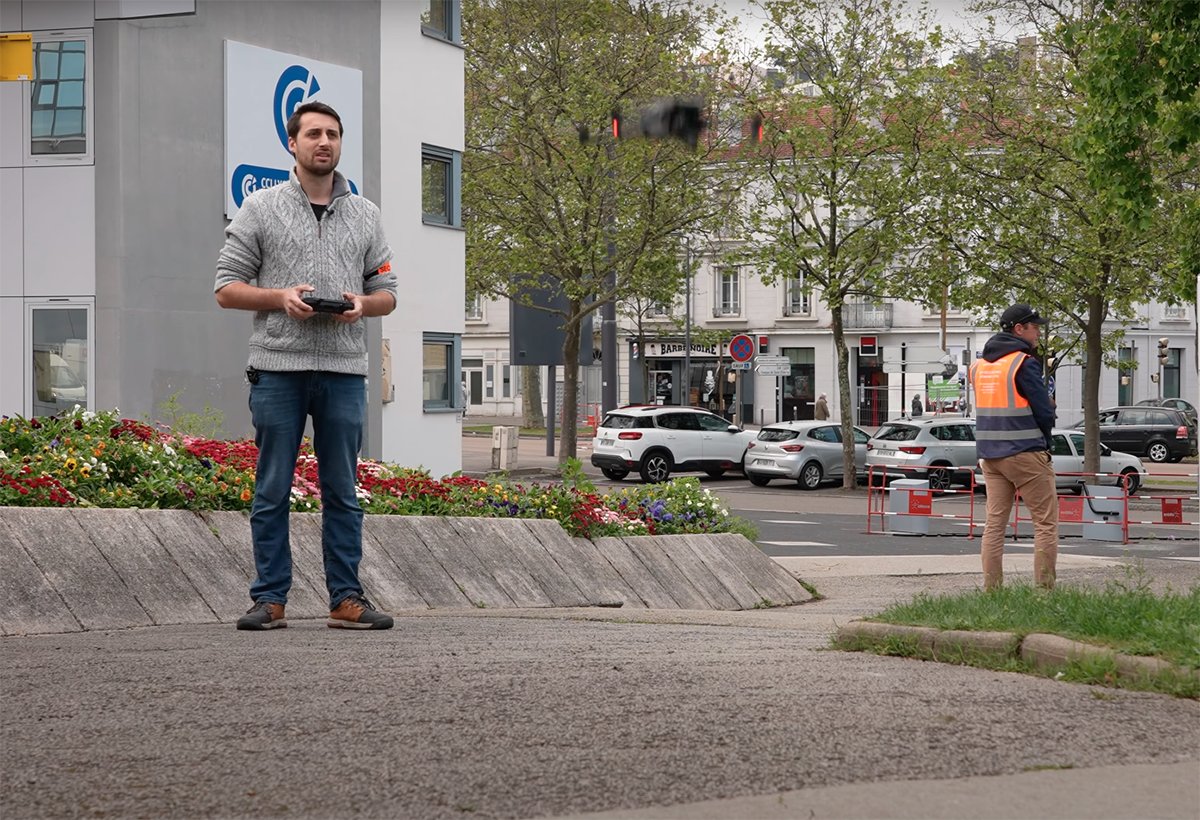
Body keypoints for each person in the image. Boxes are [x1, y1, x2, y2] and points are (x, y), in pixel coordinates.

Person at [215, 101, 398, 631]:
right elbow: (226, 288)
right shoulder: (260, 208)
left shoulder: (366, 214)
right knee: (271, 486)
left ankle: (346, 598)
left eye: (333, 135)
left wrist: (362, 305)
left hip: (343, 370)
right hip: (277, 368)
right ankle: (269, 599)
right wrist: (279, 298)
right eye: (314, 133)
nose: (325, 142)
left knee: (343, 490)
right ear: (291, 143)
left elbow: (387, 293)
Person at [969, 303, 1057, 591]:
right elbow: (1044, 411)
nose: (1039, 333)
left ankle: (992, 591)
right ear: (1019, 329)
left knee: (994, 526)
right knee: (1044, 524)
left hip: (990, 455)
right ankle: (1045, 592)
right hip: (1025, 452)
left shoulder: (978, 367)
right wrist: (1046, 441)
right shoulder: (1023, 363)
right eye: (1035, 327)